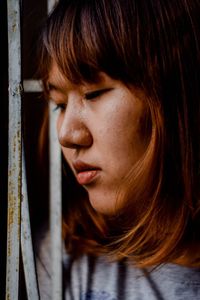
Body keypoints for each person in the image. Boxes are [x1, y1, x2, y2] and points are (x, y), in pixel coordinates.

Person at [36, 0, 200, 299]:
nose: (67, 134)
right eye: (59, 104)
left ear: (176, 93)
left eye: (94, 93)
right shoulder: (64, 257)